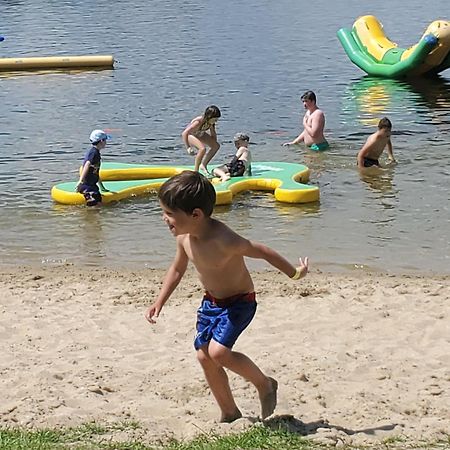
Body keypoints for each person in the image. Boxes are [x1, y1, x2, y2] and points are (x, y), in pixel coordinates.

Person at [145, 171, 309, 422]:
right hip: (211, 304)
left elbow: (263, 252)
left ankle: (265, 384)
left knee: (219, 353)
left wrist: (294, 273)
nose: (164, 219)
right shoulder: (184, 239)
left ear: (196, 215)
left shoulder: (225, 239)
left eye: (169, 214)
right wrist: (160, 301)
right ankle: (230, 412)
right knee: (204, 356)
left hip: (239, 302)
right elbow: (177, 269)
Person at [182, 105, 221, 174]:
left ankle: (203, 165)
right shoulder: (198, 122)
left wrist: (213, 144)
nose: (216, 121)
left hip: (200, 133)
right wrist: (188, 147)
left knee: (216, 146)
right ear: (209, 117)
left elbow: (213, 135)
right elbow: (185, 133)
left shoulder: (211, 123)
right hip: (190, 135)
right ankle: (196, 171)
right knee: (202, 149)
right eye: (215, 119)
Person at [75, 129, 110, 206]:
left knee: (100, 205)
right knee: (95, 206)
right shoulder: (93, 153)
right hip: (87, 186)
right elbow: (87, 164)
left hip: (93, 186)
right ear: (101, 141)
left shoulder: (96, 153)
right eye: (105, 140)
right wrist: (80, 181)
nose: (106, 143)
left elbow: (96, 172)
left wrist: (102, 186)